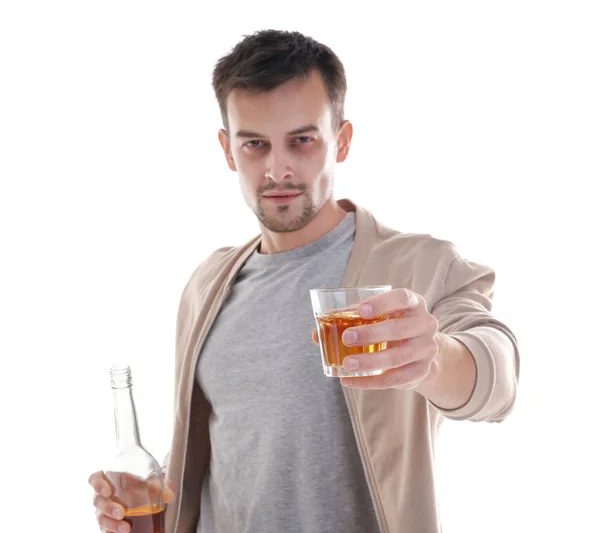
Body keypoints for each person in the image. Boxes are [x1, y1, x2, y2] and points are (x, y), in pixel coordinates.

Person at [89, 29, 520, 533]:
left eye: (302, 140)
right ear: (229, 150)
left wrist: (434, 358)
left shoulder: (417, 265)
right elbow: (230, 453)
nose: (277, 169)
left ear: (342, 140)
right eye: (255, 144)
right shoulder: (207, 286)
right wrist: (156, 511)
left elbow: (499, 377)